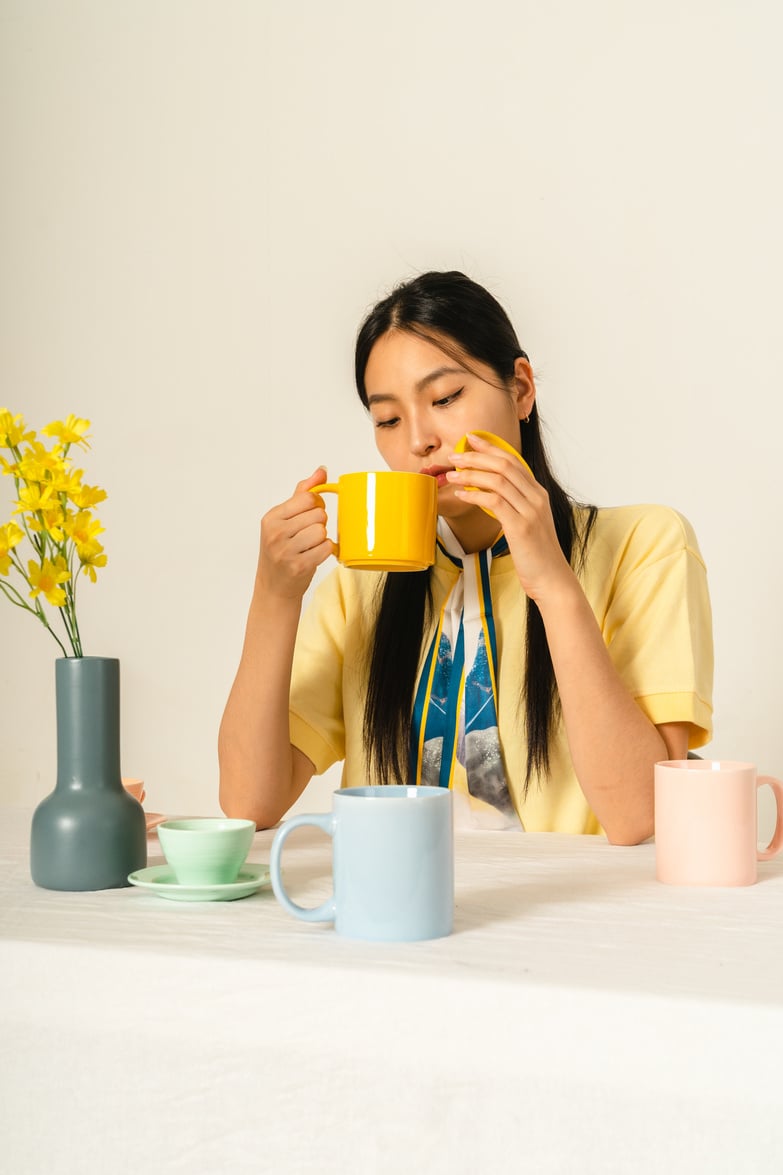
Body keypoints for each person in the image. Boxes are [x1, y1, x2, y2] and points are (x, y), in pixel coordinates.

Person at [219, 271, 713, 843]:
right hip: (394, 911)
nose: (419, 439)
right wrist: (275, 596)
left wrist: (553, 582)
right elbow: (248, 803)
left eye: (445, 398)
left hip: (565, 921)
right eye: (388, 419)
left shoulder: (644, 545)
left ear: (521, 388)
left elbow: (641, 818)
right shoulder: (361, 588)